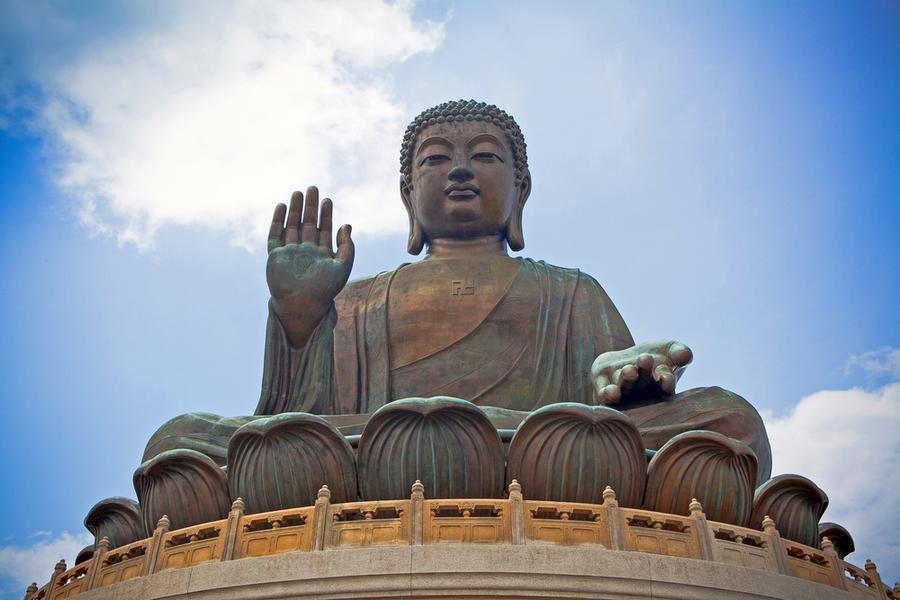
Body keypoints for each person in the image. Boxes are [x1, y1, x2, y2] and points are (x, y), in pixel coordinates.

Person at [145, 100, 771, 483]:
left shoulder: (570, 292)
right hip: (369, 448)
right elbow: (292, 421)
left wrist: (623, 378)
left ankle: (470, 446)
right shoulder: (357, 298)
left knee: (729, 420)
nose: (462, 170)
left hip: (536, 449)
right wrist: (300, 320)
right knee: (177, 439)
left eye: (486, 158)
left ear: (520, 192)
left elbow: (614, 406)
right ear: (407, 197)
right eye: (437, 159)